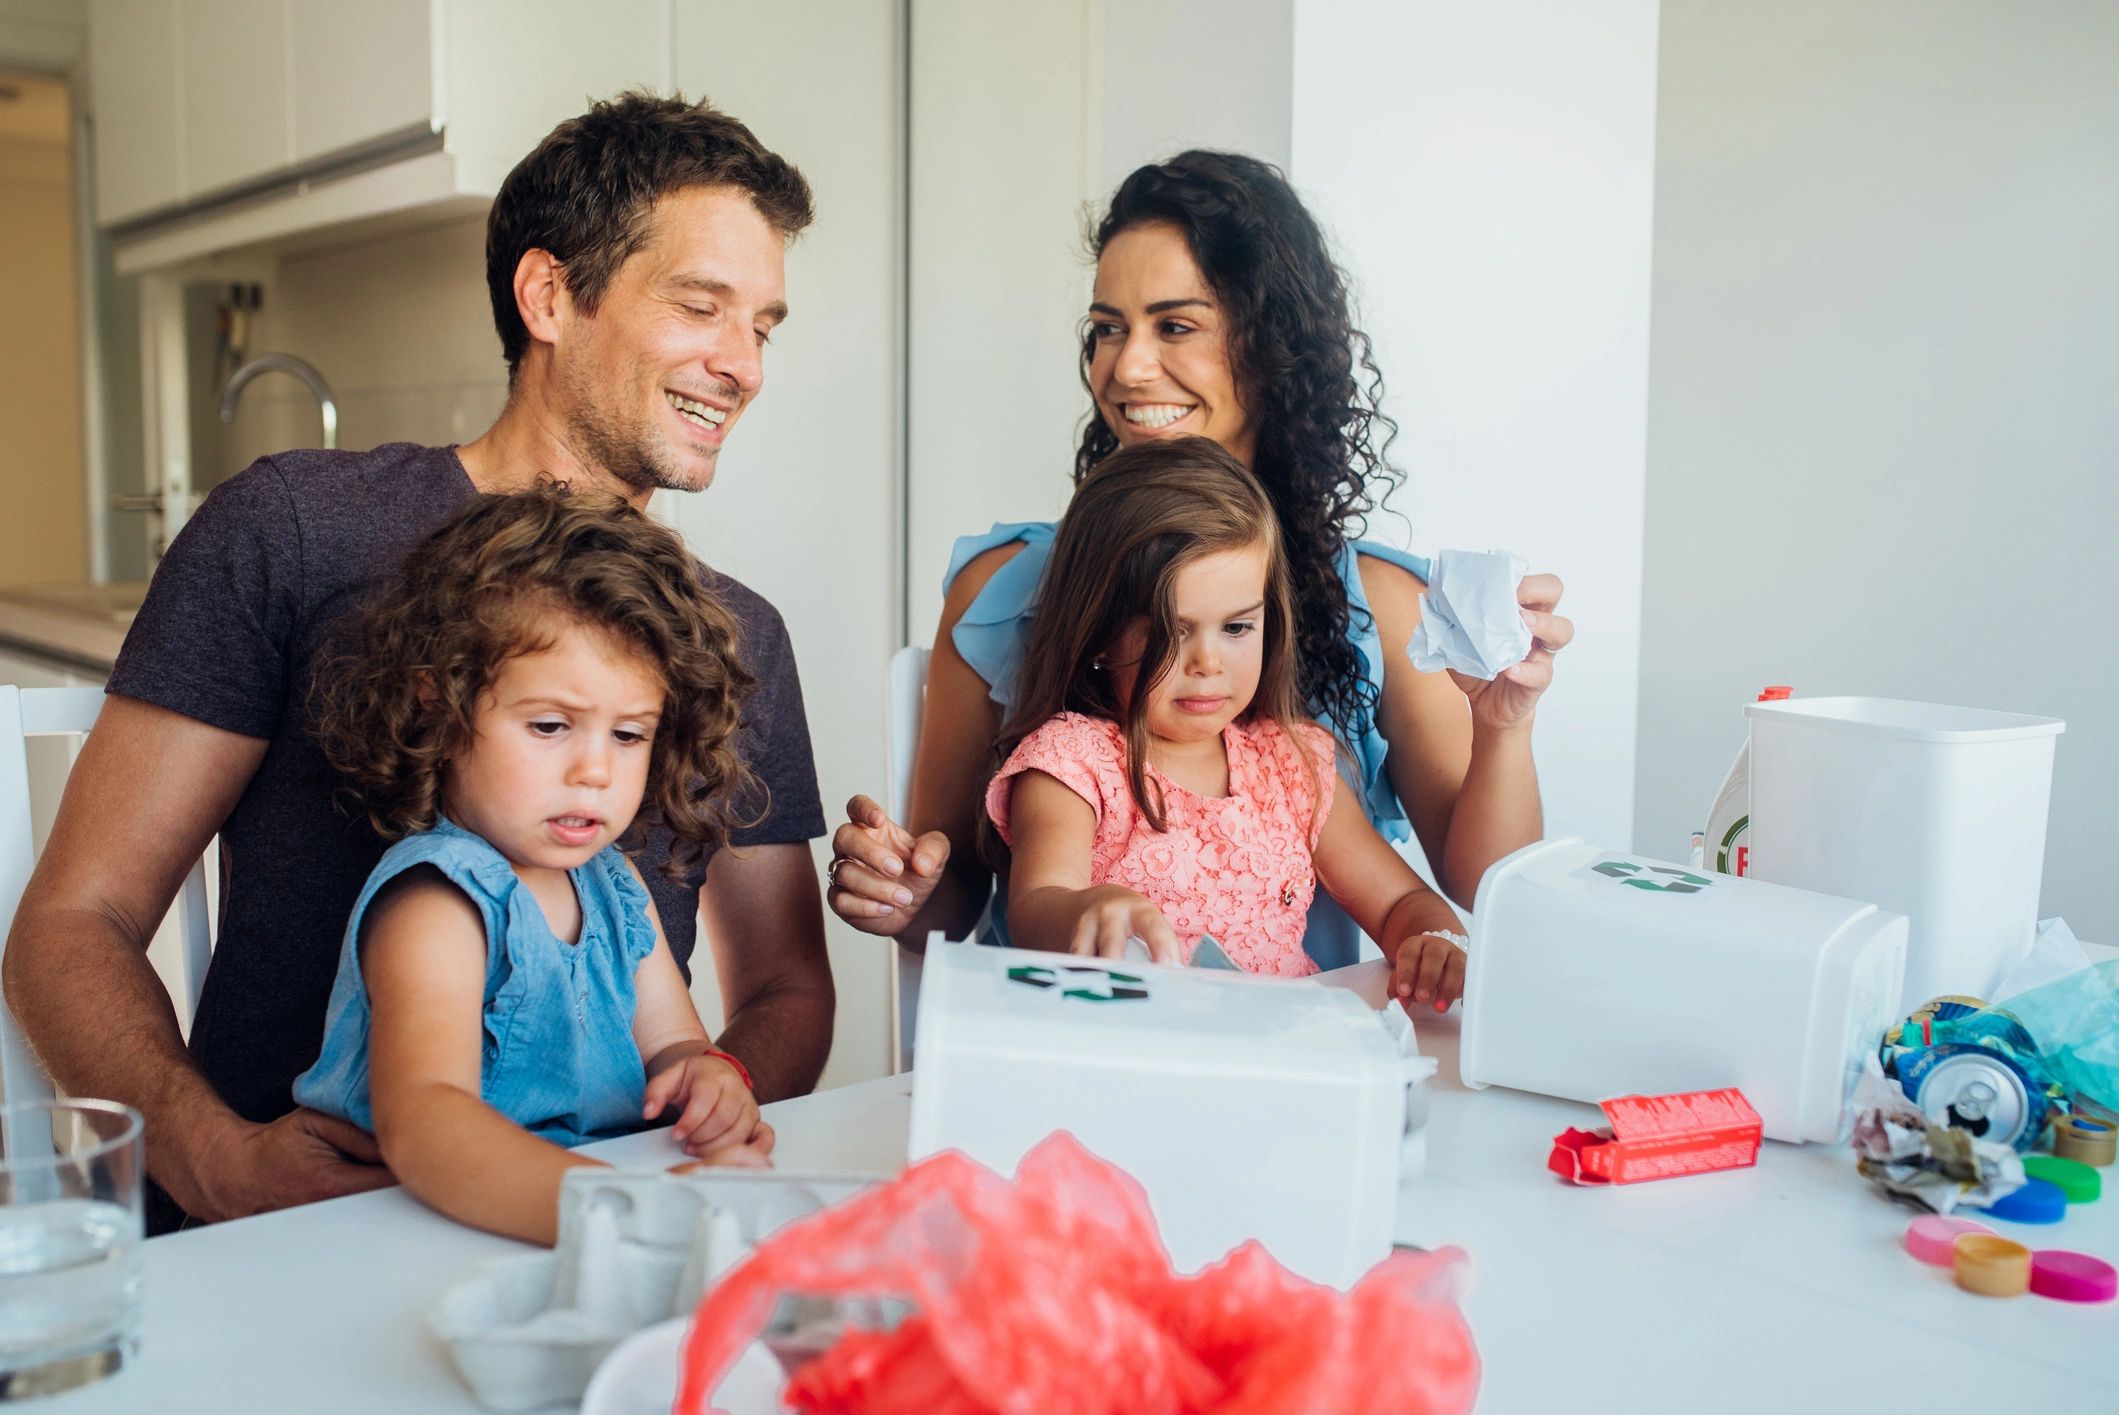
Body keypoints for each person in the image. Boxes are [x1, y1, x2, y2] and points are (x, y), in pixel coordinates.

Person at [2, 93, 833, 1234]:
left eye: (764, 325)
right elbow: (71, 923)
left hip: (593, 1231)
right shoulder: (292, 528)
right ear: (549, 295)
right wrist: (215, 1163)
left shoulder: (731, 631)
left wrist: (695, 1123)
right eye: (701, 306)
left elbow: (786, 991)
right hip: (282, 1236)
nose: (742, 364)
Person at [826, 151, 1570, 962]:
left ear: (1270, 346)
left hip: (1292, 1043)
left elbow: (1483, 884)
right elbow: (958, 898)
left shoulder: (1380, 606)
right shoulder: (1003, 589)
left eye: (1174, 325)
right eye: (1107, 328)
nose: (1126, 366)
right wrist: (906, 890)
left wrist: (1503, 727)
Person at [293, 487, 775, 1244]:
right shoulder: (438, 903)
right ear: (441, 705)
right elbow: (426, 1124)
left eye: (627, 735)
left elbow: (675, 1043)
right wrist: (616, 1209)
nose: (594, 770)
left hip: (573, 1229)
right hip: (413, 1238)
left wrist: (709, 1076)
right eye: (550, 725)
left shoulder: (616, 887)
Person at [982, 440, 1468, 1009]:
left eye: (1236, 628)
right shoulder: (1072, 762)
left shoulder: (1291, 763)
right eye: (1174, 630)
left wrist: (1435, 941)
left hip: (1276, 1058)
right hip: (1129, 1059)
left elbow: (1397, 904)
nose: (1208, 663)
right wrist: (1084, 911)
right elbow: (1037, 904)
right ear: (1100, 633)